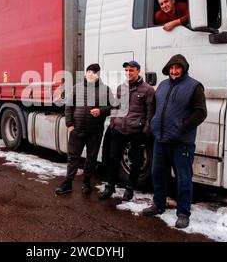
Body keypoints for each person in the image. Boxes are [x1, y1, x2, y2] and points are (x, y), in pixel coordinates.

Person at [142, 54, 207, 229]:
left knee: (183, 179)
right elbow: (153, 106)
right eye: (171, 68)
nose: (174, 71)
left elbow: (201, 112)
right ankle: (158, 204)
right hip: (161, 140)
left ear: (184, 68)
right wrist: (152, 123)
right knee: (158, 174)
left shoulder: (194, 86)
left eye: (177, 68)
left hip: (181, 142)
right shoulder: (162, 85)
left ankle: (183, 213)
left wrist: (182, 127)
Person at [98, 61, 154, 201]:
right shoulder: (121, 87)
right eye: (127, 70)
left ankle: (129, 189)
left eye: (132, 70)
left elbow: (150, 113)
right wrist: (113, 122)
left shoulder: (148, 90)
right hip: (119, 129)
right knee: (113, 158)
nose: (128, 73)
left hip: (136, 131)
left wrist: (146, 130)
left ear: (138, 71)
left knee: (136, 161)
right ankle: (110, 187)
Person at [55, 63, 113, 196]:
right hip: (77, 129)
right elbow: (68, 106)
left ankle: (87, 182)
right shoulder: (77, 88)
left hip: (95, 131)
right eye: (88, 72)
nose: (90, 74)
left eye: (93, 72)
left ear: (98, 74)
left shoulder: (105, 89)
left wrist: (101, 110)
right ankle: (68, 183)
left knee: (91, 158)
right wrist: (69, 124)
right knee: (73, 157)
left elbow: (113, 107)